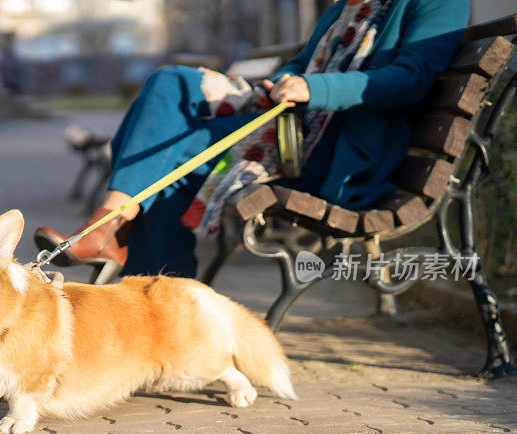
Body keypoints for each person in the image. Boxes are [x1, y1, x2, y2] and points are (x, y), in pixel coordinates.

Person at [35, 0, 470, 279]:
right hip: (287, 131)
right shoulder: (348, 5)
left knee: (174, 158)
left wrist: (313, 89)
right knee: (171, 83)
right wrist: (280, 84)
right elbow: (300, 64)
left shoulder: (438, 4)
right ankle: (112, 227)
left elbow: (407, 81)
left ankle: (144, 286)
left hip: (333, 158)